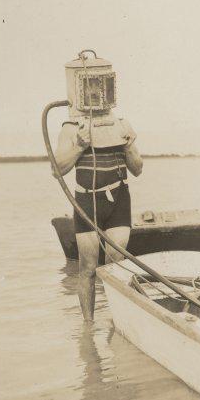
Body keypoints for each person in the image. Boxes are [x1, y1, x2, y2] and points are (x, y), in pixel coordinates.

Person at [54, 115, 143, 322]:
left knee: (116, 265)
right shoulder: (70, 127)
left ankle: (118, 323)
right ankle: (89, 326)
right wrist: (79, 146)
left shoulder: (122, 123)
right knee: (87, 268)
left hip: (118, 200)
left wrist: (129, 147)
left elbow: (137, 169)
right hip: (86, 200)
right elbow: (56, 169)